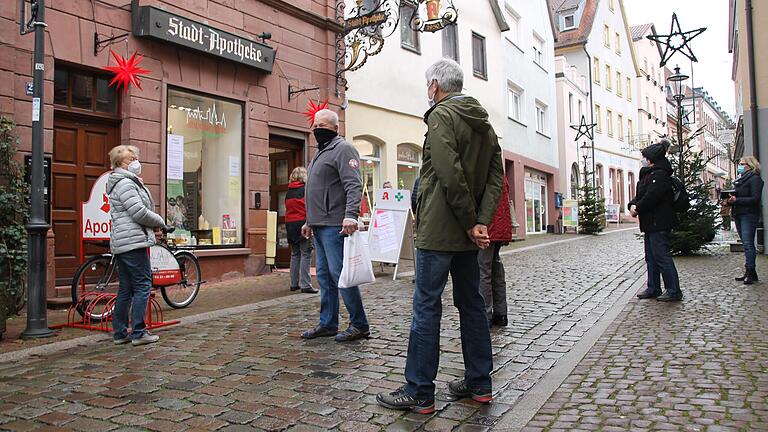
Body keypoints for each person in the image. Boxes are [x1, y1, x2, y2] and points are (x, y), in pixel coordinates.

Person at [377, 59, 504, 414]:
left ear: (435, 86)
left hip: (439, 231)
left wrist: (469, 222)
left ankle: (419, 390)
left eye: (426, 85)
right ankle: (480, 382)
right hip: (468, 234)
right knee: (473, 305)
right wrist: (480, 222)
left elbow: (448, 175)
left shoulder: (440, 116)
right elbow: (496, 178)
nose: (426, 90)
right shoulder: (485, 125)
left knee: (426, 307)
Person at [301, 108, 370, 342]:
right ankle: (328, 323)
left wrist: (351, 215)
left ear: (335, 128)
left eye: (323, 125)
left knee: (341, 274)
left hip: (335, 224)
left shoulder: (343, 149)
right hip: (319, 225)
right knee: (324, 276)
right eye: (315, 124)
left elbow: (353, 185)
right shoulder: (319, 153)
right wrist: (309, 221)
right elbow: (316, 191)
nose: (317, 128)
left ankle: (359, 324)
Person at [106, 145, 166, 346]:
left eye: (135, 158)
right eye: (130, 160)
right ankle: (139, 332)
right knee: (142, 285)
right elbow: (138, 212)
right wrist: (160, 221)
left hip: (125, 243)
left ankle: (120, 332)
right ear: (118, 164)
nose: (135, 162)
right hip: (133, 242)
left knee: (126, 288)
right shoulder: (125, 183)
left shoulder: (125, 181)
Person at [628, 140, 682, 302]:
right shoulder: (647, 174)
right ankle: (653, 287)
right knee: (650, 257)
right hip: (650, 223)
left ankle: (673, 290)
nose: (643, 160)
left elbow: (652, 197)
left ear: (652, 159)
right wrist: (632, 204)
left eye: (645, 157)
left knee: (662, 256)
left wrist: (637, 208)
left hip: (659, 222)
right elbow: (641, 194)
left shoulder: (660, 175)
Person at [478, 174, 512, 327]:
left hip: (488, 226)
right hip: (500, 227)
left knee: (483, 270)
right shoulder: (500, 172)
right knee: (496, 268)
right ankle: (501, 313)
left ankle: (485, 315)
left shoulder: (485, 170)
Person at [727, 156, 764, 284]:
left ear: (750, 165)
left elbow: (755, 198)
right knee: (745, 243)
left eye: (743, 164)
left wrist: (737, 200)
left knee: (748, 244)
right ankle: (750, 272)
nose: (740, 166)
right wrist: (729, 200)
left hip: (749, 214)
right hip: (739, 213)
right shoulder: (740, 180)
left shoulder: (755, 179)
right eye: (740, 163)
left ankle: (750, 271)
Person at [285, 167, 317, 294]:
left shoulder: (289, 192)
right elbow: (310, 207)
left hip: (290, 225)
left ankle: (294, 283)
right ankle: (305, 284)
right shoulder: (306, 190)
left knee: (294, 254)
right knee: (306, 254)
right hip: (303, 223)